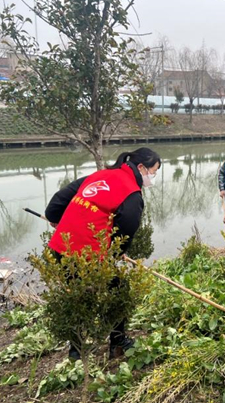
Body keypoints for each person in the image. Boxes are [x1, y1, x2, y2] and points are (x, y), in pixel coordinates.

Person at [44, 147, 161, 360]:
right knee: (119, 289)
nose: (152, 177)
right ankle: (118, 343)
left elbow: (60, 198)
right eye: (153, 172)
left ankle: (76, 350)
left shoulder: (100, 175)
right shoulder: (132, 194)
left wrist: (54, 217)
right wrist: (115, 256)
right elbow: (125, 231)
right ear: (141, 167)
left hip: (60, 247)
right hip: (86, 255)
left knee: (77, 293)